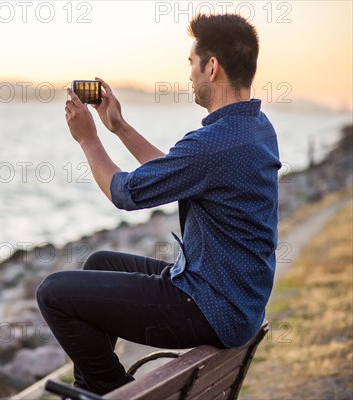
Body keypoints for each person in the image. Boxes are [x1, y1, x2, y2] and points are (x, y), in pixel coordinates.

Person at [36, 13, 281, 395]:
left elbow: (125, 193)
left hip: (211, 308)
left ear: (211, 67)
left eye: (191, 64)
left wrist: (88, 139)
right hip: (234, 300)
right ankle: (98, 388)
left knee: (53, 293)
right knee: (101, 262)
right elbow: (176, 175)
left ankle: (115, 390)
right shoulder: (255, 128)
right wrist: (117, 126)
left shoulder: (215, 142)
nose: (189, 75)